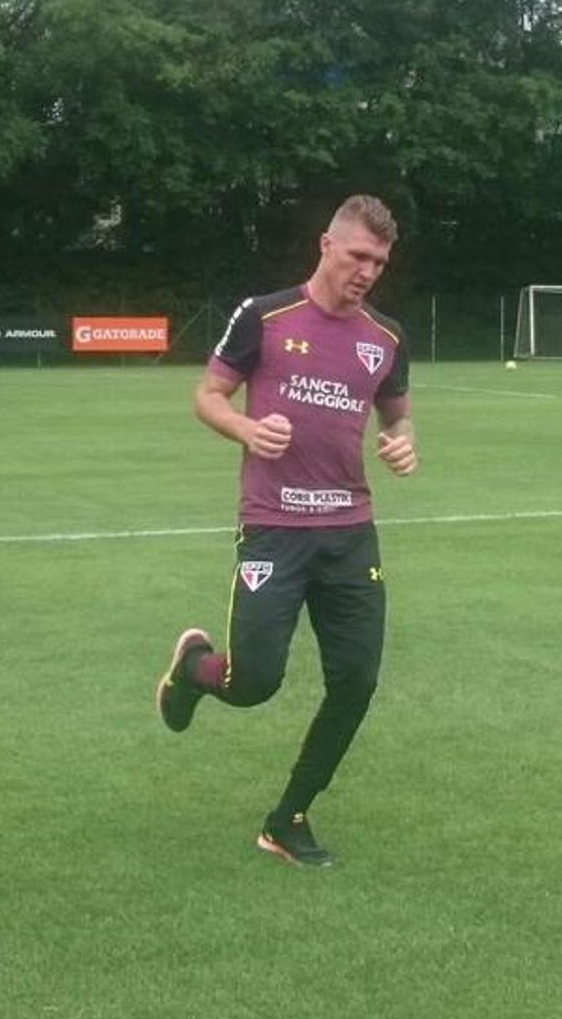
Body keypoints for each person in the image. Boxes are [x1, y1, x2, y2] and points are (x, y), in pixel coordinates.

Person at [153, 195, 418, 868]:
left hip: (351, 531)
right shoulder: (263, 315)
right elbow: (207, 396)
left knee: (356, 680)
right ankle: (193, 668)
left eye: (379, 262)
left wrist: (402, 443)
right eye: (358, 255)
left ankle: (289, 817)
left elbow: (397, 416)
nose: (367, 271)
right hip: (274, 528)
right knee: (255, 681)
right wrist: (246, 427)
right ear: (326, 245)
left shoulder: (385, 339)